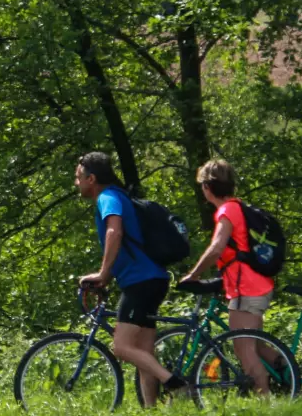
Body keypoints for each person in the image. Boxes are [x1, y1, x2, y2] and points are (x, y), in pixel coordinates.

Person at [73, 151, 183, 407]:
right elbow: (126, 248)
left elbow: (115, 232)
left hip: (140, 282)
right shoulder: (120, 196)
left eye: (78, 178)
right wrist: (107, 277)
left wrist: (102, 273)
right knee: (144, 353)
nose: (76, 183)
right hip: (153, 278)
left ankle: (176, 384)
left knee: (122, 347)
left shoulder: (108, 198)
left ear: (91, 178)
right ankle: (150, 408)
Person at [178, 159, 281, 394]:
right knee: (255, 345)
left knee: (243, 348)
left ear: (207, 187)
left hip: (246, 288)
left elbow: (216, 249)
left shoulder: (226, 211)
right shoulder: (237, 207)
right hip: (256, 285)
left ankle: (265, 401)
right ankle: (291, 374)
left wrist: (193, 275)